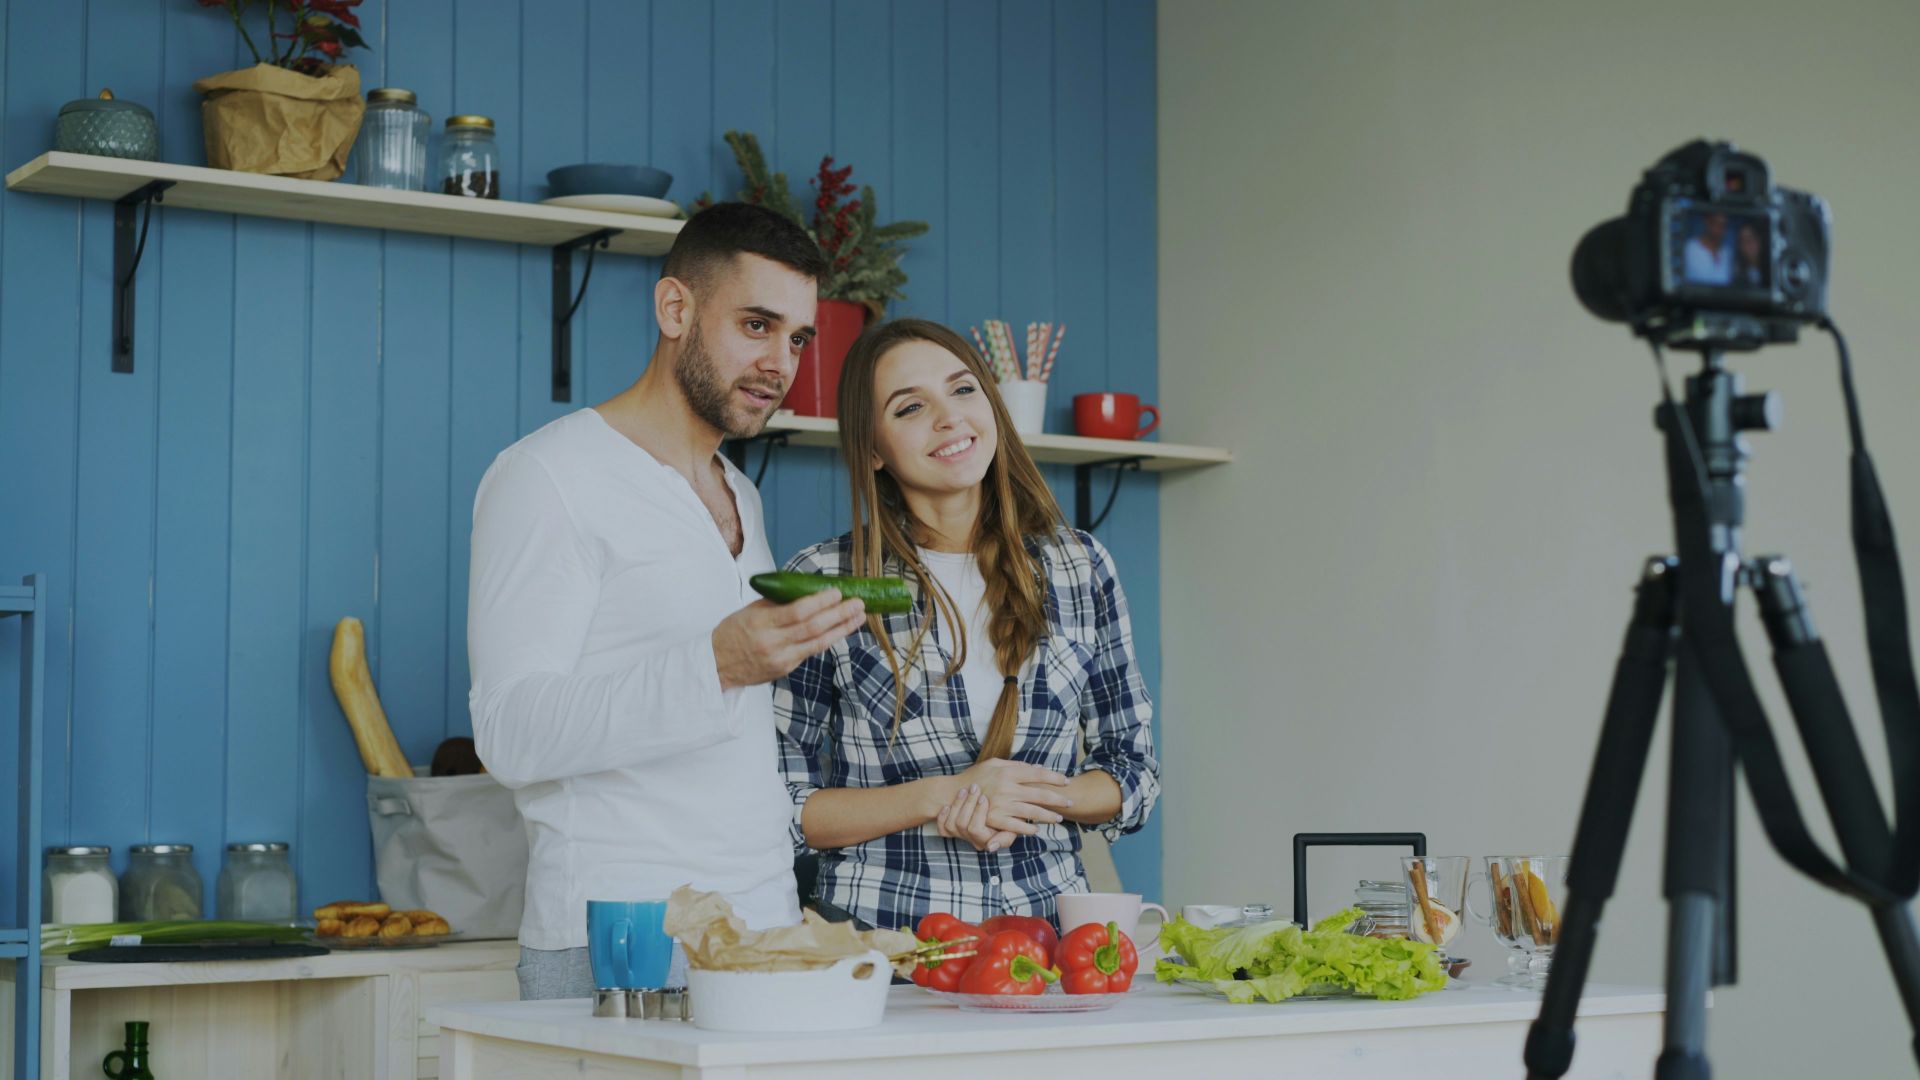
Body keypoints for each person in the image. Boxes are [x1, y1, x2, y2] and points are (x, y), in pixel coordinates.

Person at [467, 203, 869, 1000]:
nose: (779, 364)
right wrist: (716, 663)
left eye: (797, 339)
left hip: (758, 932)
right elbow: (508, 733)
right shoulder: (546, 477)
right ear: (675, 308)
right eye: (756, 325)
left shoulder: (740, 496)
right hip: (618, 941)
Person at [773, 318, 1161, 932]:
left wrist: (1025, 797)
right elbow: (778, 806)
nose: (949, 419)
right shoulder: (824, 579)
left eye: (962, 390)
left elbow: (1133, 773)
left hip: (1050, 941)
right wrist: (944, 794)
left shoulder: (1079, 566)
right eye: (909, 408)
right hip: (883, 945)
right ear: (872, 448)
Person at [1684, 211, 1732, 286]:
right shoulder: (1690, 248)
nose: (1720, 230)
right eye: (1717, 224)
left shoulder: (1727, 252)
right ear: (1707, 223)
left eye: (1724, 225)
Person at [1734, 221, 1767, 288]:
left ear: (1759, 240)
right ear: (1740, 247)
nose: (1749, 243)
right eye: (1744, 240)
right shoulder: (1737, 277)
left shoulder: (1772, 271)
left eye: (1752, 237)